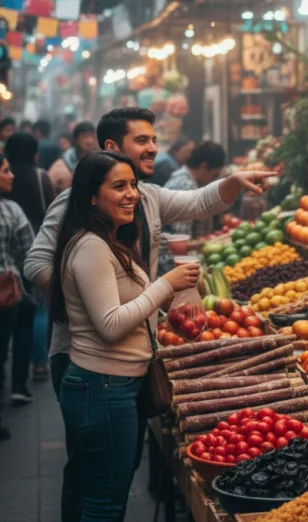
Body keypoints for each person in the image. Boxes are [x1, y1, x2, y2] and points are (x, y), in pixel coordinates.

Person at [24, 107, 269, 522]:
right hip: (83, 356)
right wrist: (81, 300)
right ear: (111, 147)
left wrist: (231, 182)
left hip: (130, 357)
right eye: (143, 140)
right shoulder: (76, 205)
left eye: (154, 140)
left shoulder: (148, 196)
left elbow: (199, 200)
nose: (154, 147)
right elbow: (36, 265)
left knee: (113, 473)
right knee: (88, 473)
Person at [50, 151, 200, 522]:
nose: (132, 193)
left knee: (107, 498)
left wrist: (169, 312)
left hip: (112, 387)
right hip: (103, 388)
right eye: (119, 186)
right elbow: (110, 324)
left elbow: (128, 307)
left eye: (133, 184)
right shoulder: (91, 247)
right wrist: (165, 285)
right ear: (90, 195)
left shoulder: (110, 240)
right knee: (104, 504)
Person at [2, 132, 55, 404]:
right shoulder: (39, 178)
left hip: (14, 269)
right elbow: (51, 213)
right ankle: (27, 376)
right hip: (26, 260)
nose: (9, 175)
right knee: (32, 315)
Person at [0, 153, 35, 440]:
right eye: (6, 170)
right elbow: (29, 253)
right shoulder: (10, 211)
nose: (11, 175)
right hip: (6, 296)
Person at [158, 141, 226, 274]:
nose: (213, 181)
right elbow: (181, 243)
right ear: (204, 167)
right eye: (215, 175)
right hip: (168, 266)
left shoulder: (182, 178)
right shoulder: (186, 186)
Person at [48, 121, 99, 194]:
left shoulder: (104, 163)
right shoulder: (62, 166)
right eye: (85, 137)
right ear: (76, 140)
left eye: (93, 137)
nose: (89, 141)